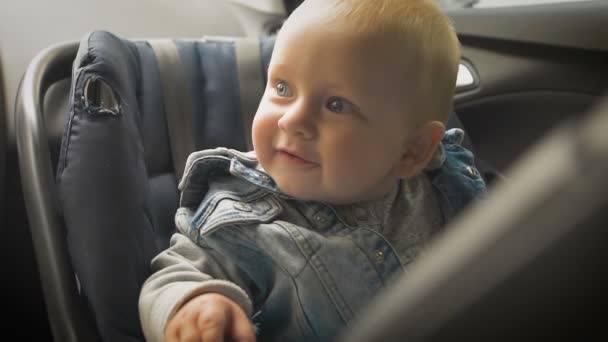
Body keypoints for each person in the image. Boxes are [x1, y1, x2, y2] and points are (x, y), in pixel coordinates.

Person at [139, 0, 486, 341]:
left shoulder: (445, 186)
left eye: (336, 105)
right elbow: (175, 274)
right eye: (282, 88)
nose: (293, 120)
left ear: (412, 152)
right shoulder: (240, 219)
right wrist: (195, 304)